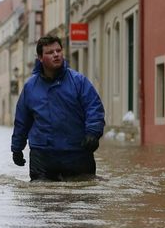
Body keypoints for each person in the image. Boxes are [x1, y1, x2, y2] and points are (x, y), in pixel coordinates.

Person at [11, 36, 105, 181]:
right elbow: (22, 121)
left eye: (58, 50)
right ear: (40, 58)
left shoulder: (78, 81)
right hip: (42, 156)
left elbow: (94, 108)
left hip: (76, 152)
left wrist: (93, 132)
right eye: (50, 52)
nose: (56, 54)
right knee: (42, 197)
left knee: (82, 197)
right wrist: (17, 148)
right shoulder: (30, 87)